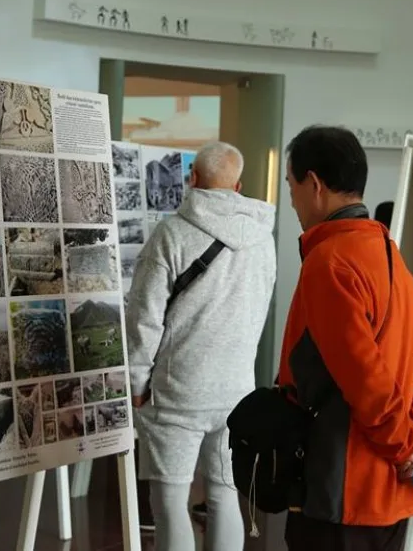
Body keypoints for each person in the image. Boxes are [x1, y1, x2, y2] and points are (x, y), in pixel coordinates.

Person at [277, 125, 413, 550]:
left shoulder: (330, 263)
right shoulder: (388, 253)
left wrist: (407, 446)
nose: (293, 200)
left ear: (313, 184)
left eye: (291, 186)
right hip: (391, 490)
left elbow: (365, 379)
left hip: (344, 487)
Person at [125, 141, 277, 551]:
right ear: (239, 185)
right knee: (226, 495)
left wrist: (137, 381)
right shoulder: (264, 238)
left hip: (177, 393)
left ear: (193, 178)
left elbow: (144, 317)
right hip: (236, 391)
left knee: (171, 502)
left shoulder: (172, 234)